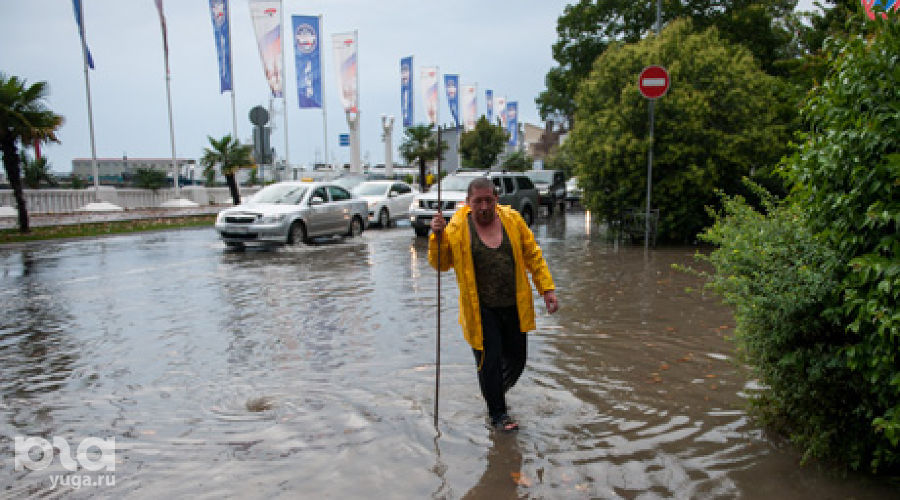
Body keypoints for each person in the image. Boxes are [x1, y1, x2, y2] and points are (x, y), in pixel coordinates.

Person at [429, 177, 559, 431]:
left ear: (496, 199)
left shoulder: (513, 220)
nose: (484, 207)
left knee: (518, 360)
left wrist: (547, 289)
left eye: (489, 200)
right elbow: (441, 264)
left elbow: (533, 254)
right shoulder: (457, 227)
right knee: (490, 360)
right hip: (481, 309)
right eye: (478, 201)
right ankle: (498, 414)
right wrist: (437, 236)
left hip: (514, 304)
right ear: (468, 202)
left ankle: (493, 390)